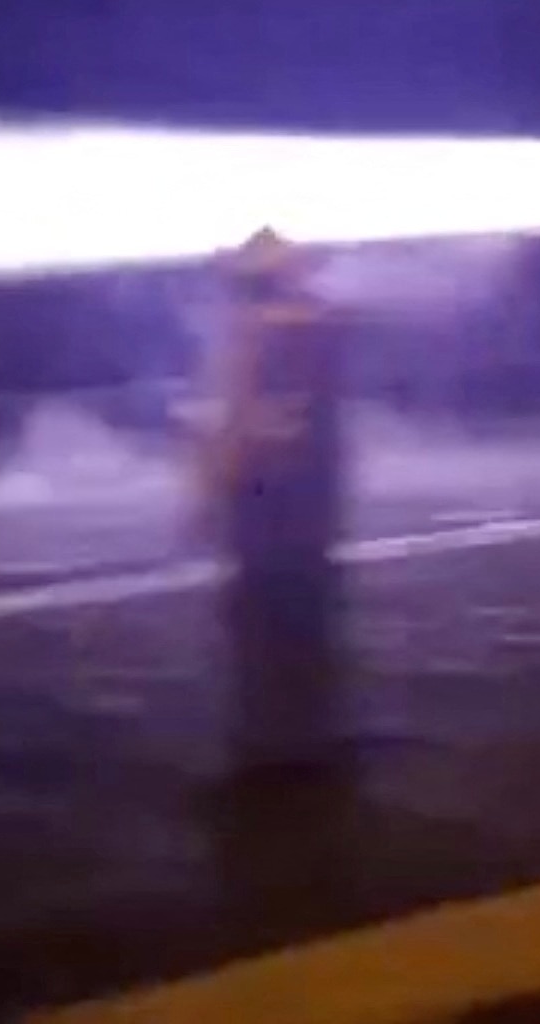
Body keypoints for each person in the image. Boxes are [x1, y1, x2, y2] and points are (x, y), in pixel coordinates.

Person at [203, 227, 351, 781]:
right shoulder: (325, 324)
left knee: (260, 619)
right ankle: (310, 733)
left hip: (263, 496)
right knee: (307, 617)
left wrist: (209, 488)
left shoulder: (250, 333)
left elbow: (236, 418)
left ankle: (267, 740)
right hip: (313, 494)